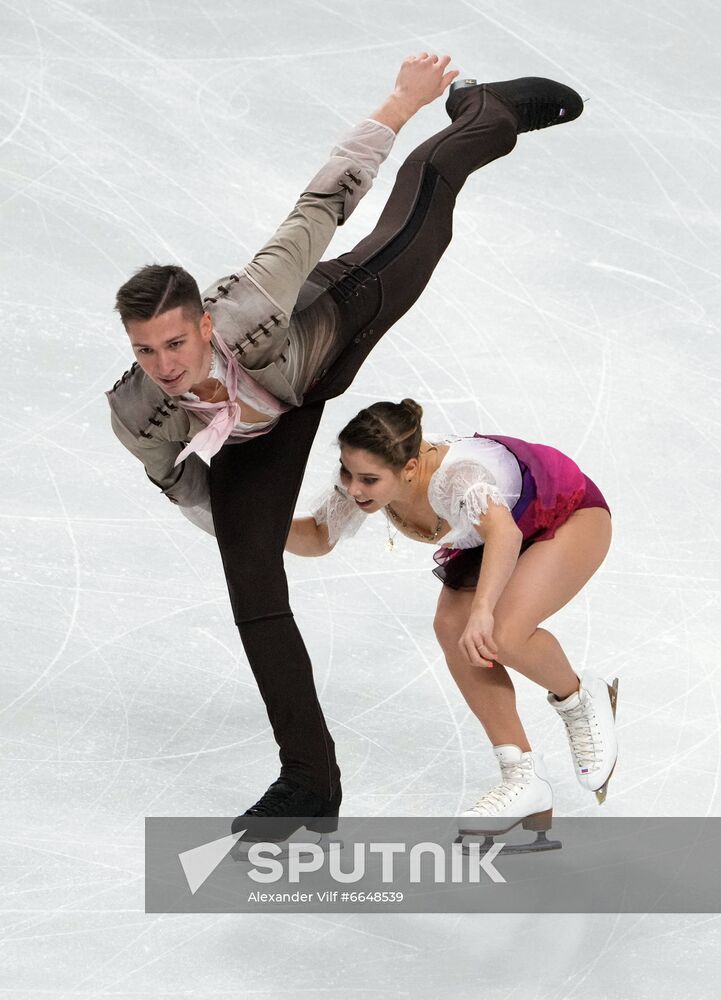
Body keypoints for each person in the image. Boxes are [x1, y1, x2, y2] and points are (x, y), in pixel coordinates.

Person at [107, 53, 585, 838]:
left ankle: (485, 114)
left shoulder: (252, 300)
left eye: (175, 344)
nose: (164, 367)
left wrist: (401, 101)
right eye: (145, 351)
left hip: (332, 326)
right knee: (249, 577)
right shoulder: (139, 417)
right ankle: (309, 780)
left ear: (203, 324)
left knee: (426, 202)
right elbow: (185, 486)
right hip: (265, 422)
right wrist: (248, 531)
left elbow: (325, 196)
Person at [287, 399, 618, 837]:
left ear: (409, 468)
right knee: (450, 627)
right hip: (494, 534)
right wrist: (247, 527)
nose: (353, 488)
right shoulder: (365, 479)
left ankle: (580, 698)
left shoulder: (459, 481)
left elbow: (504, 533)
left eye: (368, 480)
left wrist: (482, 610)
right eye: (347, 472)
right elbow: (318, 536)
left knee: (501, 633)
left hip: (567, 514)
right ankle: (523, 778)